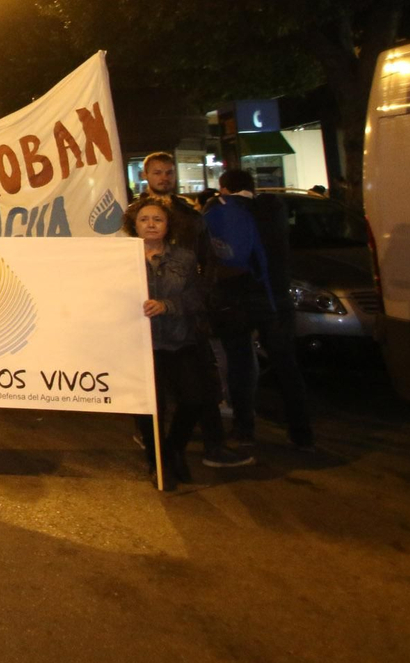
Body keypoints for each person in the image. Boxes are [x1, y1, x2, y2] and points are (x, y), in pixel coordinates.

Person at [124, 196, 254, 488]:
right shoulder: (121, 260)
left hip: (179, 340)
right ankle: (157, 464)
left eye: (157, 219)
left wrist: (168, 305)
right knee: (150, 407)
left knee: (194, 398)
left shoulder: (184, 258)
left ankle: (173, 449)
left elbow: (196, 297)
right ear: (134, 225)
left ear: (168, 225)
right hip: (141, 345)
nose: (151, 225)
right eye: (144, 220)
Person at [212, 169, 314, 449]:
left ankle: (244, 429)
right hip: (274, 298)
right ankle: (301, 431)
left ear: (223, 189)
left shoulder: (221, 211)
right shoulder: (272, 209)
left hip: (236, 301)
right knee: (286, 366)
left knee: (240, 365)